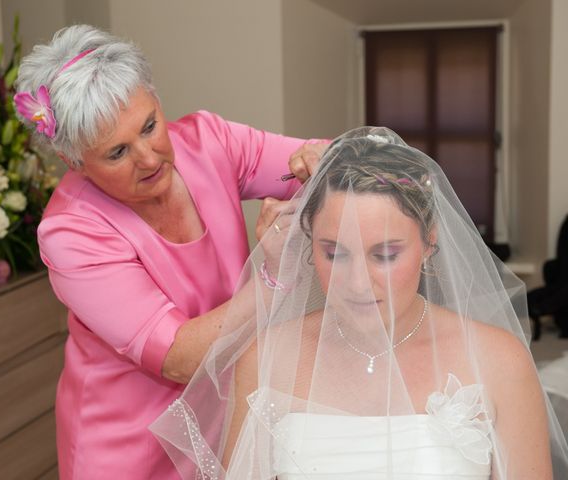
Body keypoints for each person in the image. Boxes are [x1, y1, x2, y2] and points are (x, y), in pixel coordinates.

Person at [151, 127, 568, 479]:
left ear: (429, 241)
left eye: (385, 255)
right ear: (308, 242)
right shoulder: (266, 360)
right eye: (335, 252)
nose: (357, 282)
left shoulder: (498, 360)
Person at [13, 25, 327, 479]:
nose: (149, 158)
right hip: (127, 445)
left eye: (149, 126)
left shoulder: (209, 142)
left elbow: (321, 158)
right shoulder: (71, 233)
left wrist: (321, 164)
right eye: (118, 151)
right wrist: (270, 275)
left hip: (220, 417)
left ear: (158, 100)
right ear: (75, 162)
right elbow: (179, 359)